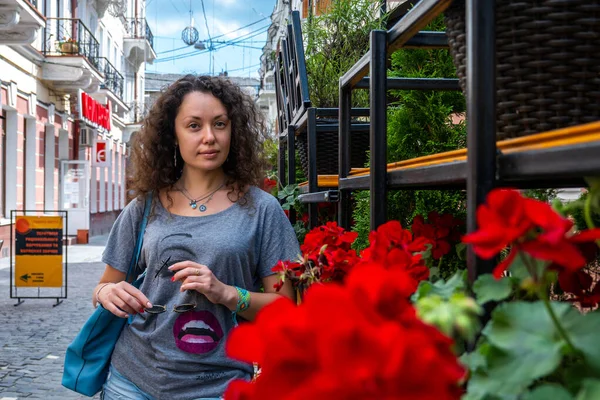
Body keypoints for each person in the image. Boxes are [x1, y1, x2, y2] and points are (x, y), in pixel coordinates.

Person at [92, 75, 300, 400]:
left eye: (220, 124)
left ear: (234, 130)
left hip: (219, 386)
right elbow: (105, 286)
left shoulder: (262, 210)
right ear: (172, 135)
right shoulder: (144, 207)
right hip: (132, 381)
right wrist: (107, 293)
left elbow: (286, 307)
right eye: (193, 125)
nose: (209, 137)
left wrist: (228, 293)